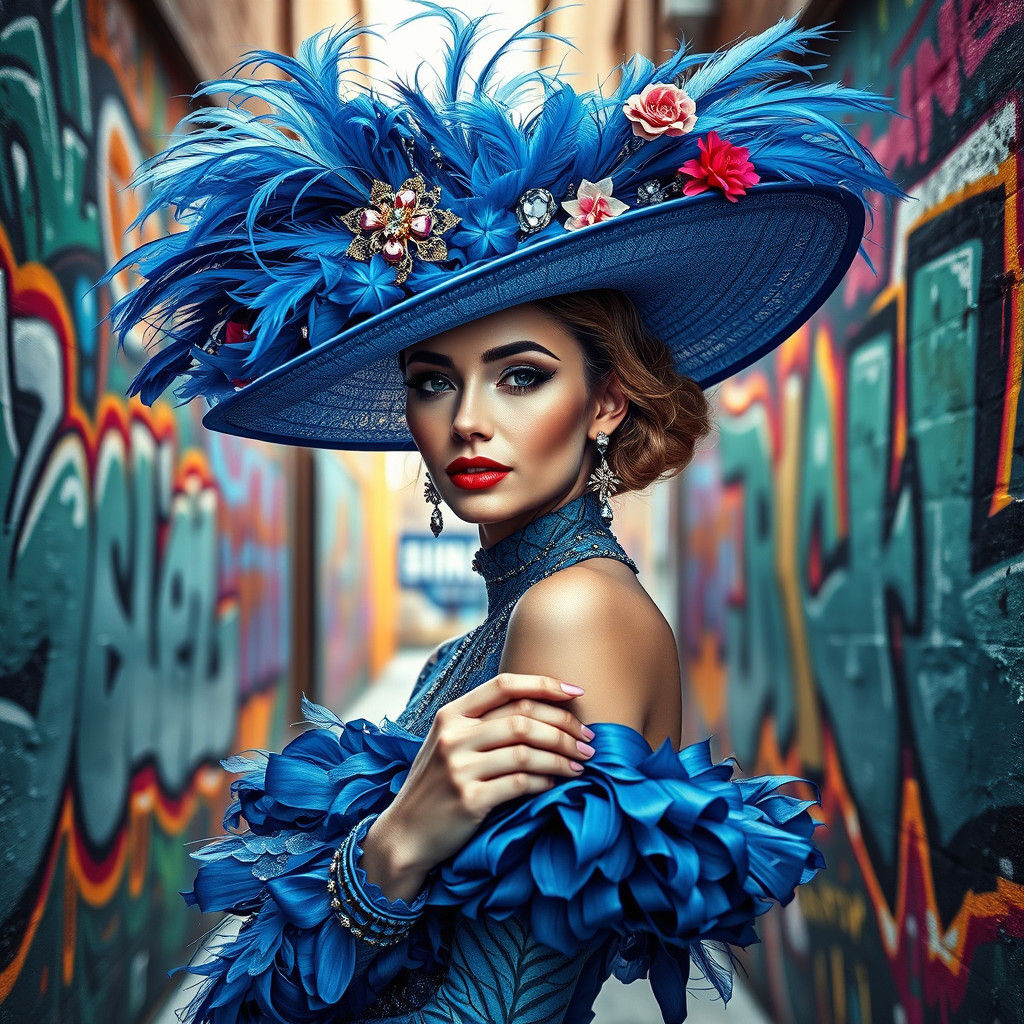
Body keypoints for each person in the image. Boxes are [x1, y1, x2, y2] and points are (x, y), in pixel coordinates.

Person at [100, 5, 907, 1022]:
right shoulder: (533, 599)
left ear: (605, 399)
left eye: (520, 376)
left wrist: (388, 849)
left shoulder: (572, 613)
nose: (469, 421)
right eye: (436, 381)